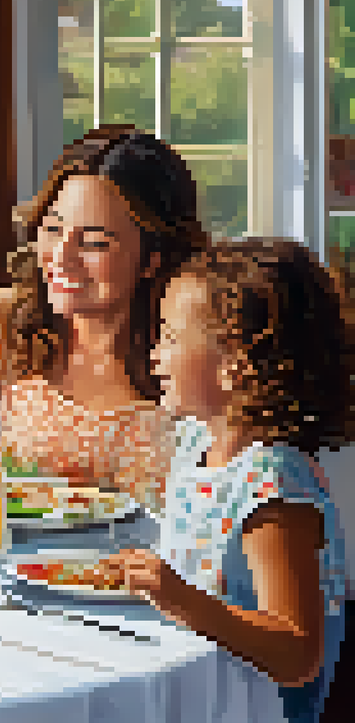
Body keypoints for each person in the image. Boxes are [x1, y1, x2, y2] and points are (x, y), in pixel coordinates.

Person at [104, 238, 350, 722]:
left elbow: (298, 652)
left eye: (170, 337)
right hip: (200, 696)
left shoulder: (273, 485)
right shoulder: (195, 445)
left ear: (233, 364)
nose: (155, 354)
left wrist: (179, 598)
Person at [0, 124, 208, 509]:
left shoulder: (198, 349)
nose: (61, 258)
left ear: (152, 258)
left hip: (156, 568)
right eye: (53, 229)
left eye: (94, 243)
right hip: (16, 566)